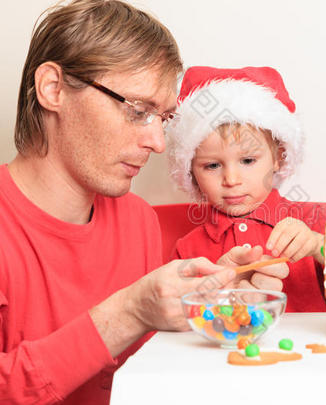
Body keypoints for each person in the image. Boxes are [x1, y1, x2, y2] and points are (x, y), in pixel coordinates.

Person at [0, 1, 287, 404]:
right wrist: (128, 312)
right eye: (138, 111)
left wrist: (207, 302)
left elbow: (149, 375)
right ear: (54, 89)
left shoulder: (137, 219)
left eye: (163, 118)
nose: (156, 142)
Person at [166, 66, 326, 312]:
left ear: (278, 157)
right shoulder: (188, 249)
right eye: (212, 165)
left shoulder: (313, 224)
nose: (231, 179)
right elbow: (175, 320)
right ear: (191, 172)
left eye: (247, 161)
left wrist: (317, 245)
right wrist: (213, 295)